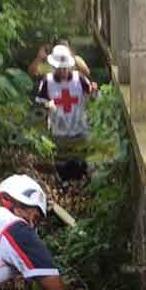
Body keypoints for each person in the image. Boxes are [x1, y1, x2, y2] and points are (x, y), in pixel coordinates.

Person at [35, 45, 99, 186]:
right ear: (54, 67)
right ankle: (65, 185)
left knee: (81, 164)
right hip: (58, 131)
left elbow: (93, 97)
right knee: (62, 165)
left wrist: (94, 91)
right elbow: (39, 102)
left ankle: (81, 186)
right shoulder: (47, 81)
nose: (63, 71)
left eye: (65, 68)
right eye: (60, 68)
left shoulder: (79, 78)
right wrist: (47, 105)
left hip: (79, 129)